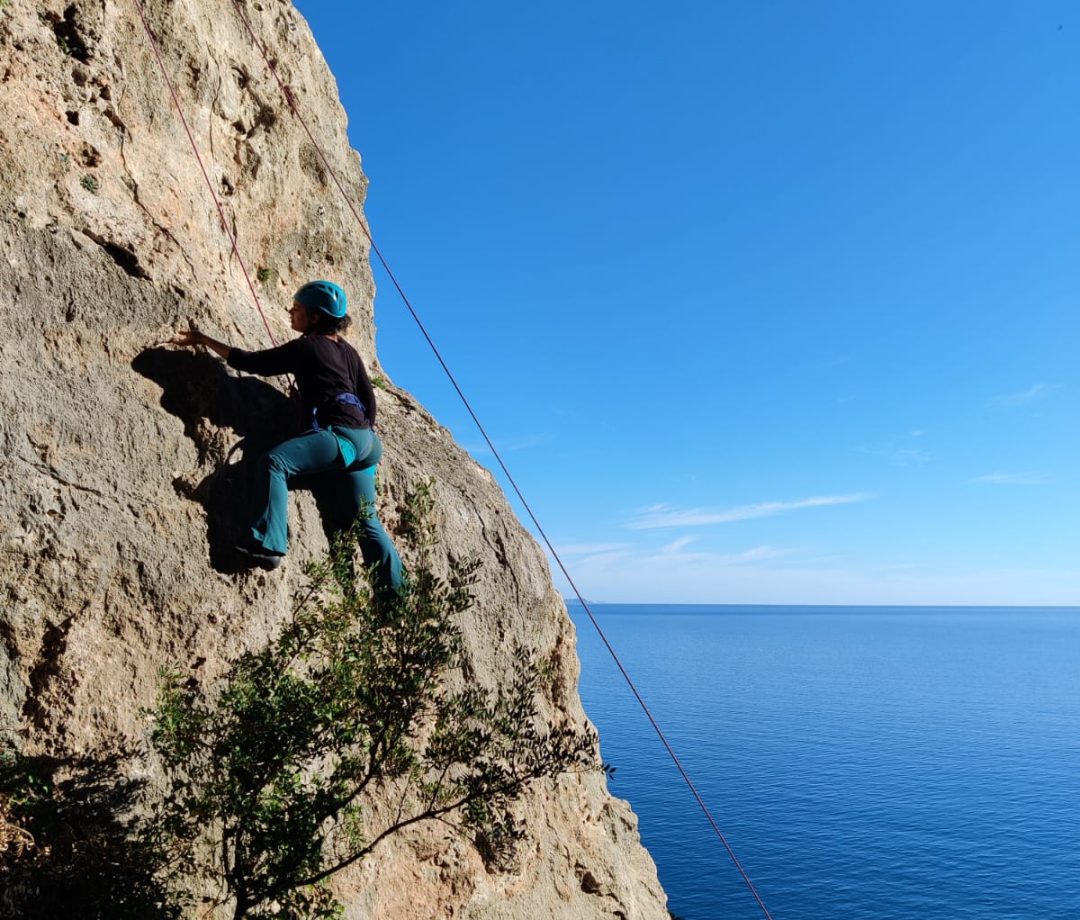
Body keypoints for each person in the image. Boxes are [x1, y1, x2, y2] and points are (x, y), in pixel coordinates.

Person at [172, 281, 403, 597]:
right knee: (366, 521)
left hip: (339, 437)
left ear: (315, 317)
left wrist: (202, 339)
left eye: (296, 309)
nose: (290, 313)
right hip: (366, 442)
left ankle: (269, 543)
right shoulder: (349, 352)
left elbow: (252, 363)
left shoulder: (306, 346)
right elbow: (368, 401)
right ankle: (395, 599)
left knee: (274, 462)